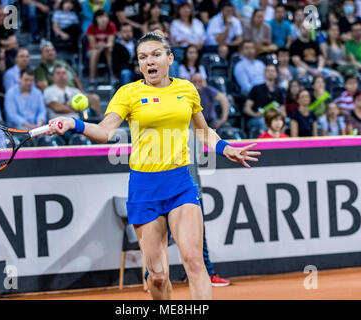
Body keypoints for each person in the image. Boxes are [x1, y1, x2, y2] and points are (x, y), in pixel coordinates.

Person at [46, 30, 260, 300]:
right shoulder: (129, 93)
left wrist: (225, 147)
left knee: (194, 261)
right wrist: (73, 124)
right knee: (157, 277)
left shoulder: (186, 89)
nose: (150, 61)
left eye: (156, 55)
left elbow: (203, 130)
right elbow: (104, 132)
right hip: (144, 188)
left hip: (180, 183)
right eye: (143, 57)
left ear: (169, 58)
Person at [34, 42, 102, 118]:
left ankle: (97, 123)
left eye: (52, 50)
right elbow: (44, 88)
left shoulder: (63, 63)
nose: (50, 52)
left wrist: (82, 93)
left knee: (94, 98)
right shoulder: (40, 69)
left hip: (72, 92)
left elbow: (75, 79)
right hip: (57, 96)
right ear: (41, 54)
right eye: (47, 51)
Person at [244, 64, 285, 136]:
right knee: (263, 122)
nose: (270, 72)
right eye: (268, 71)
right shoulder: (256, 89)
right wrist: (256, 115)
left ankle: (282, 143)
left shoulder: (279, 91)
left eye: (272, 71)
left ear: (276, 74)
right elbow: (247, 109)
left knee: (283, 122)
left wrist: (280, 117)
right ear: (264, 74)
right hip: (258, 119)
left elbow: (283, 110)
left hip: (274, 118)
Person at [87, 9, 117, 87]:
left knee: (109, 51)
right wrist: (101, 47)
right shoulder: (91, 27)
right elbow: (93, 45)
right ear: (96, 18)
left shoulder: (111, 26)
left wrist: (102, 45)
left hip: (106, 49)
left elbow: (110, 43)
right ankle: (92, 79)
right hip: (93, 50)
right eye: (100, 17)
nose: (103, 19)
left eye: (106, 16)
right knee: (94, 53)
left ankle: (113, 76)